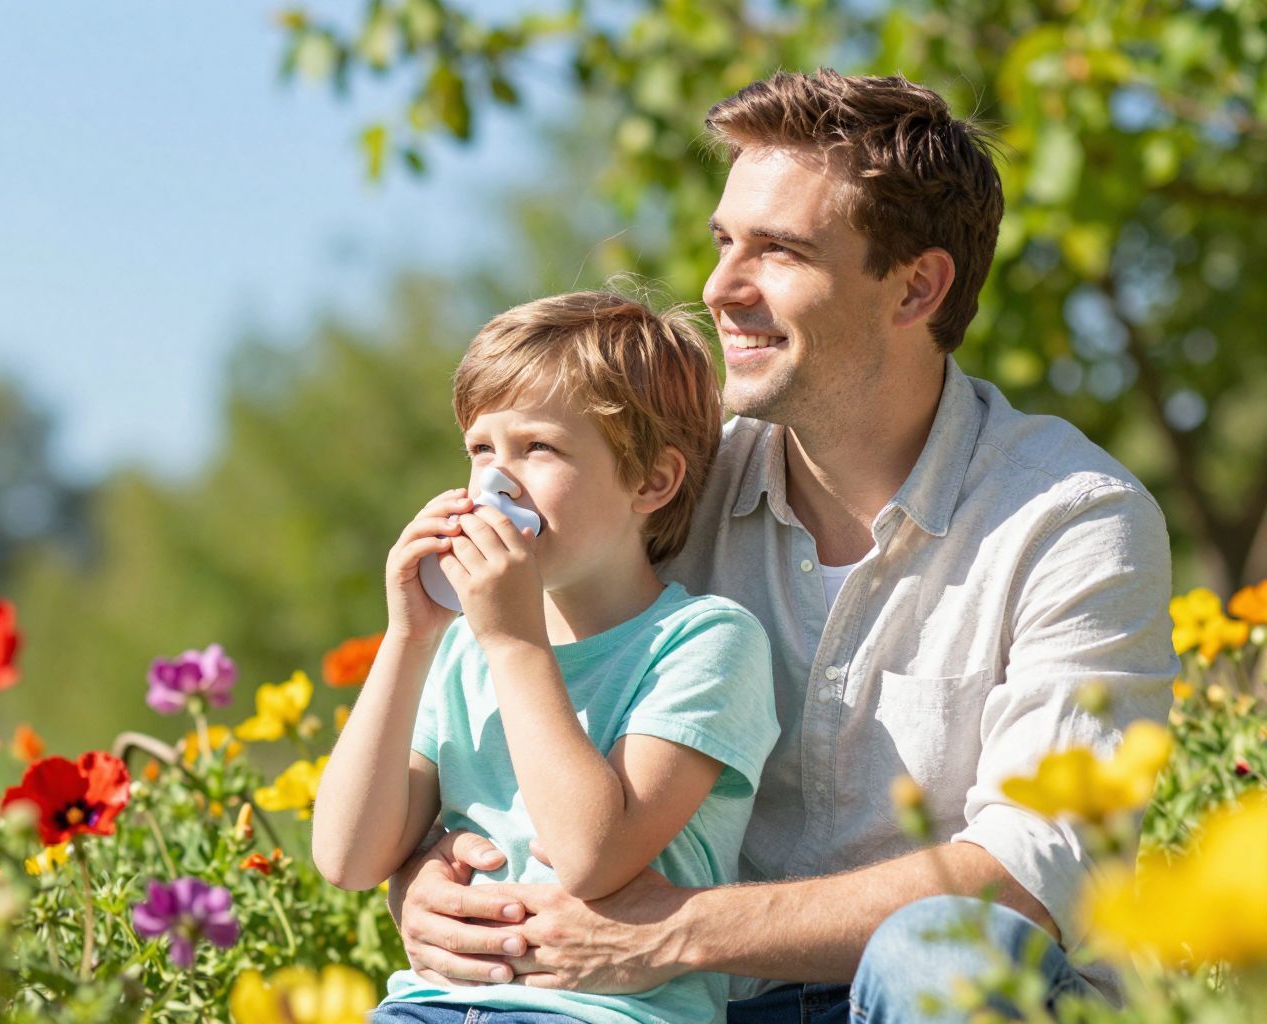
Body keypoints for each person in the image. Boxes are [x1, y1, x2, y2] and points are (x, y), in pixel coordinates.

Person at [385, 70, 1178, 1024]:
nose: (721, 288)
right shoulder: (663, 480)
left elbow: (1035, 873)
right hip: (697, 1010)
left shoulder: (1071, 520)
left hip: (949, 1001)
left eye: (781, 252)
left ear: (918, 286)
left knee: (941, 954)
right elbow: (517, 709)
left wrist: (679, 931)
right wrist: (433, 879)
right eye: (725, 242)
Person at [313, 291, 780, 1023]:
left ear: (651, 482)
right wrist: (409, 637)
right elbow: (347, 857)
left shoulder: (704, 642)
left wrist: (514, 640)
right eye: (480, 450)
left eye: (538, 448)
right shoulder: (461, 650)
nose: (497, 483)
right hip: (428, 1008)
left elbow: (593, 855)